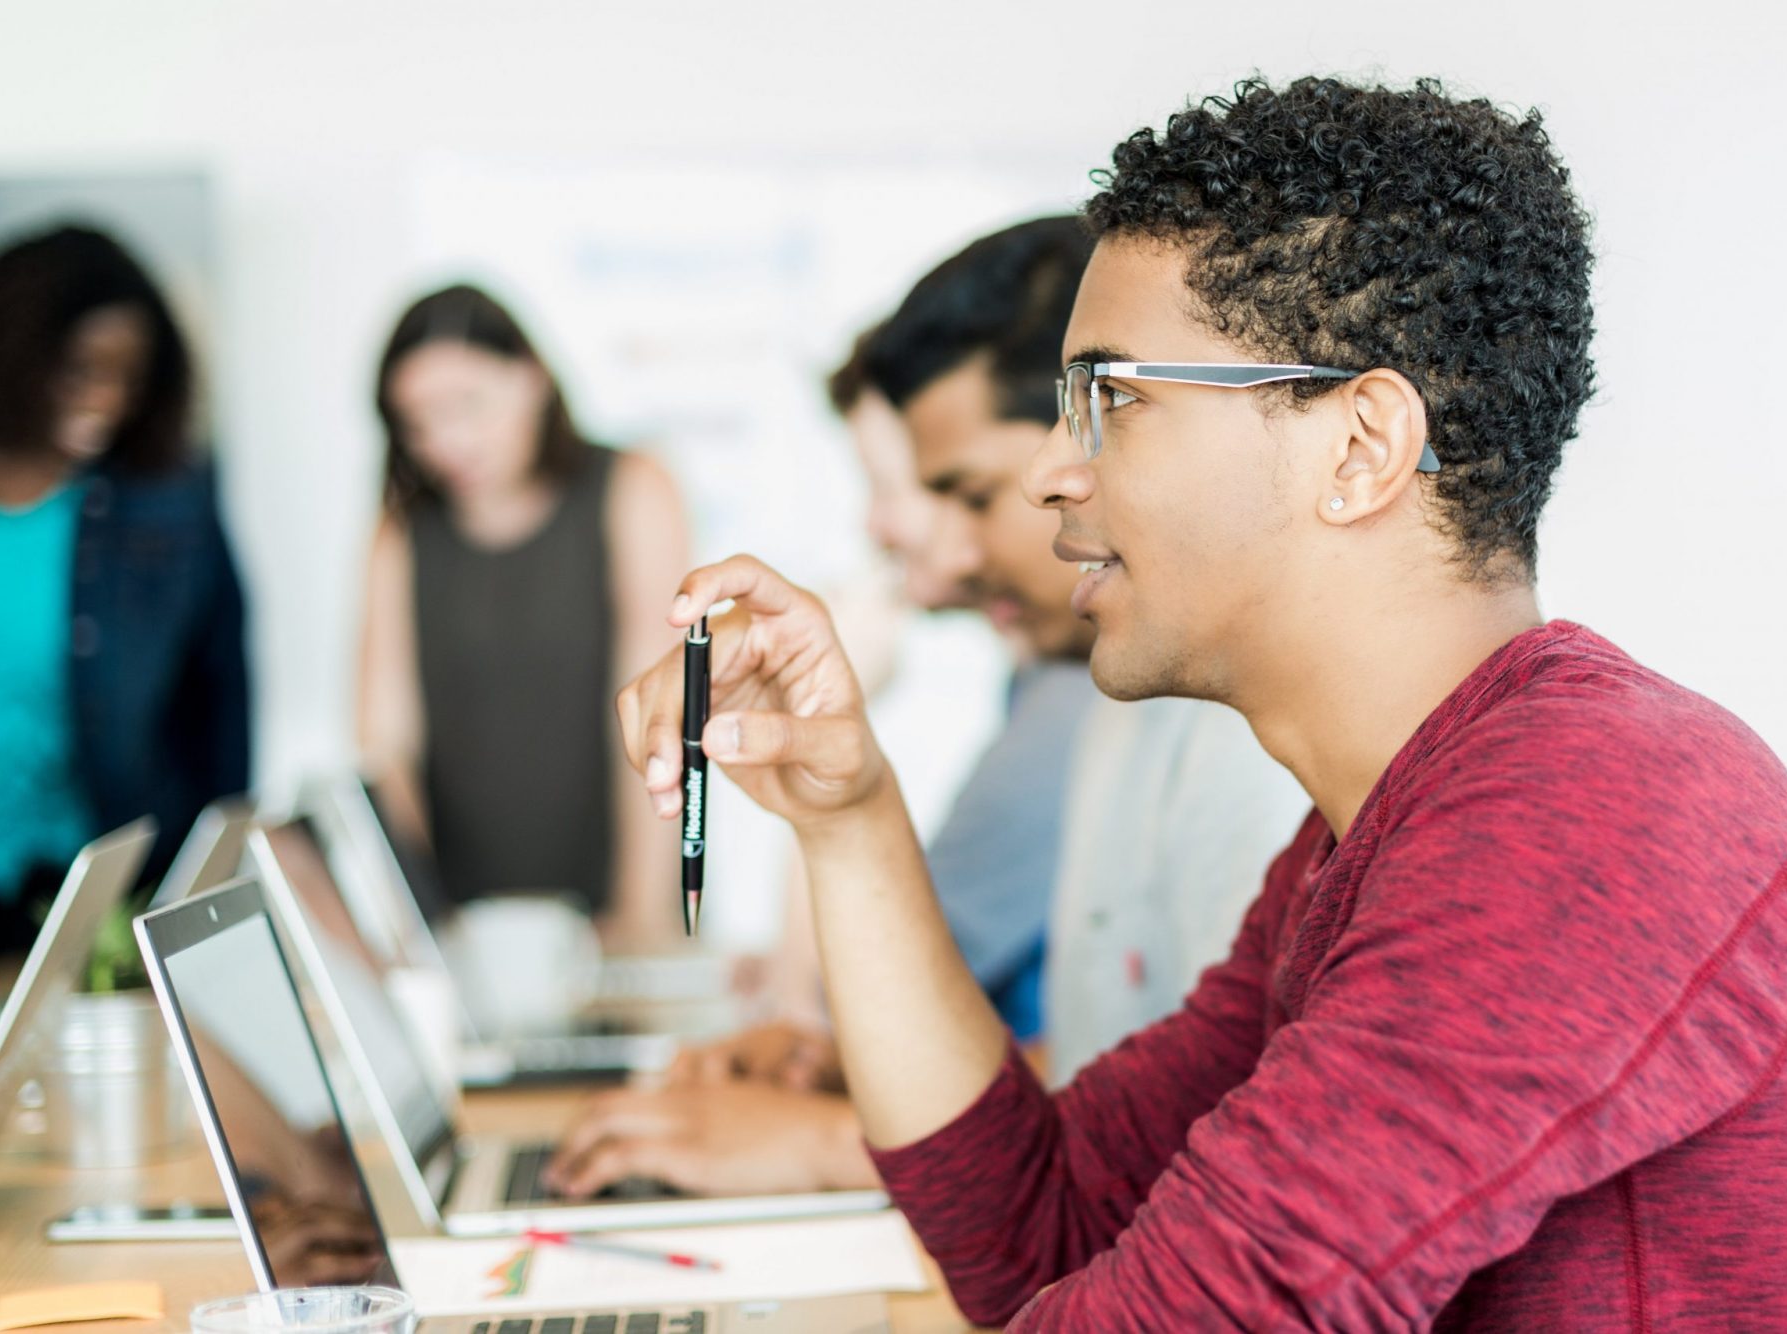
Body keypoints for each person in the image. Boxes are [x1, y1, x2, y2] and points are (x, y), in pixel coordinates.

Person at [610, 78, 1787, 1328]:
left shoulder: (1589, 809)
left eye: (1111, 400)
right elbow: (1036, 1234)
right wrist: (848, 813)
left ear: (1359, 449)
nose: (1052, 478)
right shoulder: (1369, 839)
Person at [544, 218, 1305, 1200]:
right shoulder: (1110, 689)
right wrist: (836, 814)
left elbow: (1200, 1144)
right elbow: (1116, 1084)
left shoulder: (1221, 729)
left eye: (962, 493)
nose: (920, 542)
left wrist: (819, 1139)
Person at [0, 224, 248, 976]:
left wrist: (196, 916)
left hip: (87, 906)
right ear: (10, 354)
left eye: (129, 377)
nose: (107, 399)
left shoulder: (169, 511)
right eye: (80, 371)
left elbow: (221, 728)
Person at [357, 285, 689, 949]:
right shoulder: (402, 533)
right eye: (417, 422)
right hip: (465, 929)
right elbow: (386, 746)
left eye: (467, 406)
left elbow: (661, 721)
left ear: (533, 379)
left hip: (616, 910)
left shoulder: (633, 489)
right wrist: (423, 927)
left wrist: (638, 918)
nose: (445, 441)